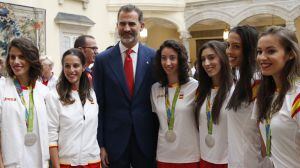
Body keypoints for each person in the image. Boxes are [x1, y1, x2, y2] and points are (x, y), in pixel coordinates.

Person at [93, 4, 158, 168]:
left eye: (131, 23)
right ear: (117, 26)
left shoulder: (155, 57)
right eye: (122, 23)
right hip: (114, 142)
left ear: (141, 26)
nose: (126, 28)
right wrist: (100, 144)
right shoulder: (102, 60)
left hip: (146, 140)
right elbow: (98, 105)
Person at [253, 26, 300, 167]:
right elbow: (264, 145)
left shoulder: (296, 96)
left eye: (271, 51)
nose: (262, 57)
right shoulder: (263, 95)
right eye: (259, 51)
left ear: (290, 54)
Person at [46, 48, 100, 167]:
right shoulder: (54, 96)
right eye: (67, 66)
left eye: (76, 65)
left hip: (93, 161)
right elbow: (51, 135)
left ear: (83, 67)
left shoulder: (91, 94)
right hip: (66, 163)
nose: (71, 70)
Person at [0, 37, 49, 167]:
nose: (16, 62)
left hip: (39, 161)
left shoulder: (44, 91)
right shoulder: (2, 88)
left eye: (21, 57)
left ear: (31, 59)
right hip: (12, 162)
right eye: (12, 57)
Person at [151, 40, 200, 168]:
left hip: (189, 154)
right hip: (164, 154)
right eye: (163, 58)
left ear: (181, 60)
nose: (168, 63)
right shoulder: (155, 89)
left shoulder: (194, 86)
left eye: (172, 58)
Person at [225, 25, 261, 168]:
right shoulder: (238, 78)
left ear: (249, 49)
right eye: (228, 45)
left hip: (252, 160)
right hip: (236, 158)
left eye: (236, 46)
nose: (229, 51)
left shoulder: (257, 81)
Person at [195, 41, 233, 168]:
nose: (206, 63)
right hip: (205, 159)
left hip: (228, 160)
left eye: (211, 57)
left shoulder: (235, 92)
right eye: (203, 59)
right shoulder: (200, 92)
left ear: (223, 58)